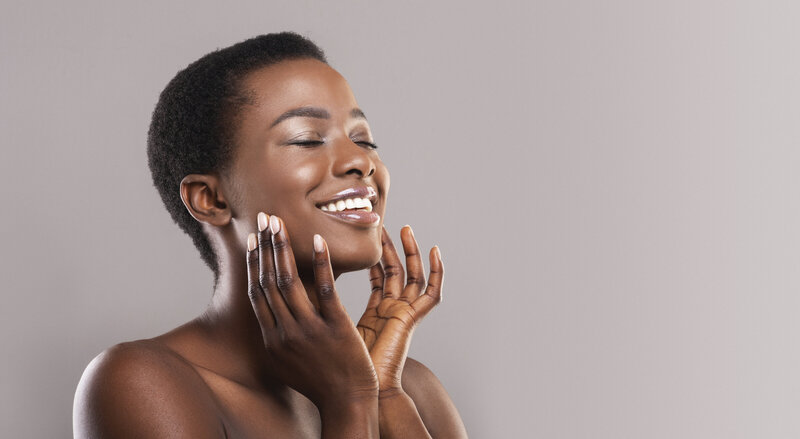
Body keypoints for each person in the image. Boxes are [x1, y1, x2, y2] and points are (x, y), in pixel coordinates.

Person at [73, 32, 468, 438]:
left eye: (363, 138)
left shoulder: (410, 388)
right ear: (210, 198)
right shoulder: (142, 383)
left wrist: (383, 394)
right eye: (308, 140)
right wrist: (348, 400)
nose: (359, 161)